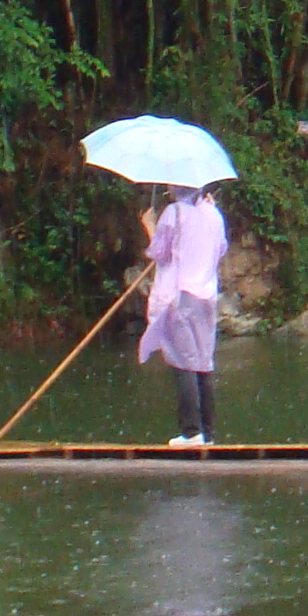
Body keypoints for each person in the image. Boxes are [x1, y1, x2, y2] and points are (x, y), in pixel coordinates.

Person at [136, 185, 230, 440]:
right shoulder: (214, 214)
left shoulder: (174, 213)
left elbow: (160, 253)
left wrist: (150, 226)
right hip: (207, 297)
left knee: (183, 362)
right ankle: (207, 433)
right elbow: (220, 249)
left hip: (180, 296)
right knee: (202, 361)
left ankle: (191, 432)